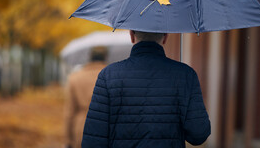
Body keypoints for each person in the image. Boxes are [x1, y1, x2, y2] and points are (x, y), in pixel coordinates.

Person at [81, 30, 211, 148]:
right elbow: (198, 134)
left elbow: (93, 141)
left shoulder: (108, 76)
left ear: (131, 35)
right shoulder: (186, 75)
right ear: (165, 37)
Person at [63, 46, 108, 148]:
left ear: (90, 57)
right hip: (106, 127)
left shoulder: (75, 78)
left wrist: (68, 140)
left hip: (81, 128)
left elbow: (69, 112)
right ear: (105, 57)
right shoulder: (112, 76)